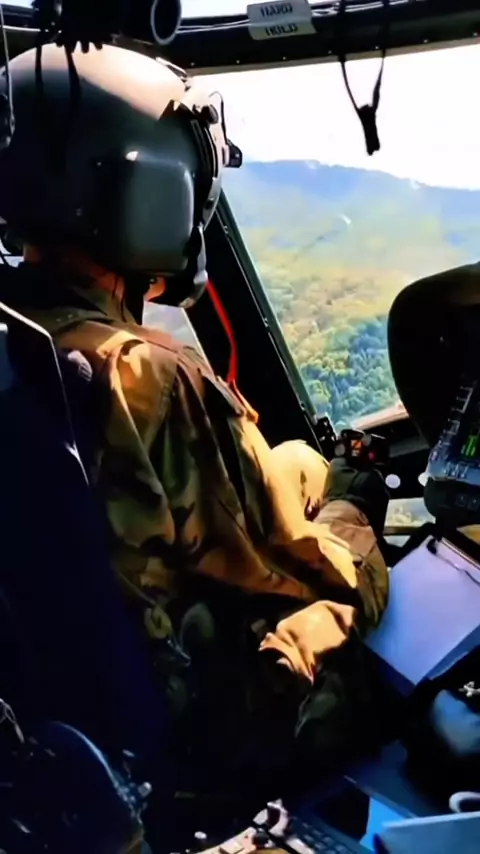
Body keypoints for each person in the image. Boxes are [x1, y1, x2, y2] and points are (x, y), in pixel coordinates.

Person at [0, 44, 389, 782]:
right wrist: (355, 510)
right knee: (342, 633)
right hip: (163, 750)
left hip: (43, 722)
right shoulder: (144, 378)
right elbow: (318, 571)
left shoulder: (20, 344)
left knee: (295, 462)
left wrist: (308, 474)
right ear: (149, 194)